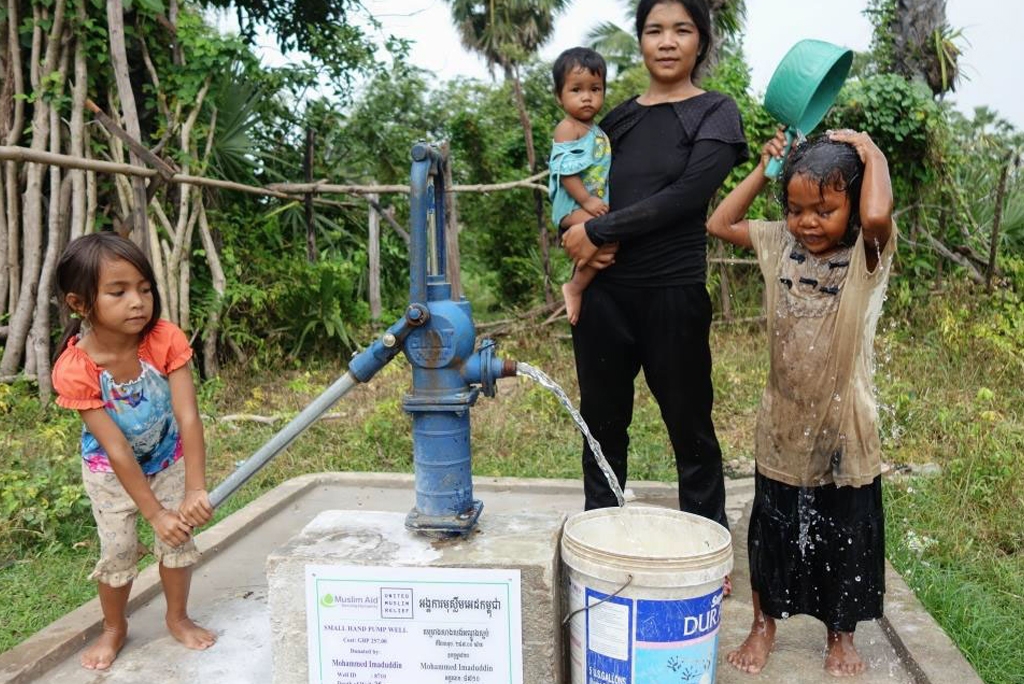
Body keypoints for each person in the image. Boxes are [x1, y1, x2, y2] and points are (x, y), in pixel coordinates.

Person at [706, 128, 896, 677]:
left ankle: (841, 636)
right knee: (772, 529)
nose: (808, 222)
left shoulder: (868, 254)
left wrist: (872, 152)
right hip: (782, 425)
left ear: (853, 208)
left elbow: (880, 217)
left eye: (826, 209)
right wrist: (765, 170)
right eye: (796, 209)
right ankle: (763, 625)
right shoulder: (778, 244)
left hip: (846, 429)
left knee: (847, 536)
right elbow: (719, 224)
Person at [560, 0, 748, 533]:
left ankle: (708, 540)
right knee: (602, 425)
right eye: (654, 30)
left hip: (674, 295)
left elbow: (685, 197)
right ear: (640, 41)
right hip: (605, 298)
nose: (667, 42)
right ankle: (601, 533)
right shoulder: (616, 119)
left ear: (701, 41)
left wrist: (597, 231)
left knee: (690, 427)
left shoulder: (716, 111)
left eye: (682, 30)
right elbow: (575, 185)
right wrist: (572, 233)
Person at [51, 232, 217, 670]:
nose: (138, 301)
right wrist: (154, 513)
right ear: (80, 303)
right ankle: (114, 627)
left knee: (179, 541)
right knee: (120, 548)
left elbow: (188, 417)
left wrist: (193, 489)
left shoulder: (164, 339)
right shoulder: (76, 368)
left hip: (167, 456)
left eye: (144, 288)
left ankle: (177, 617)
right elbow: (117, 448)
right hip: (111, 470)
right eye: (118, 291)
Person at [547, 46, 614, 325]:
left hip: (588, 203)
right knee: (610, 232)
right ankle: (574, 287)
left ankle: (588, 266)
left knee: (608, 240)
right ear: (559, 97)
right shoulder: (568, 127)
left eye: (595, 89)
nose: (587, 97)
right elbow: (565, 172)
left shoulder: (595, 129)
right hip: (573, 204)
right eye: (576, 90)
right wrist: (586, 201)